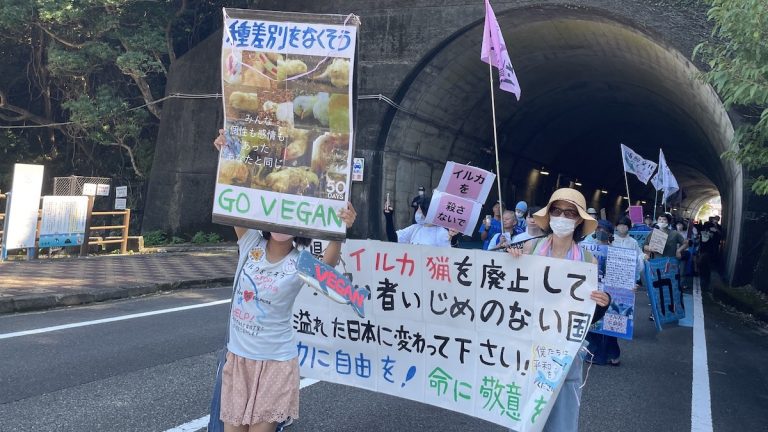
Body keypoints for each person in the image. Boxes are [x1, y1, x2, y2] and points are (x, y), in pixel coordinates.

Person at [213, 130, 357, 432]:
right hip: (239, 360)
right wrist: (227, 153)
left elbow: (328, 268)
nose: (281, 223)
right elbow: (235, 194)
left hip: (276, 363)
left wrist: (341, 230)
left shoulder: (299, 263)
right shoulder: (249, 241)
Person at [507, 188, 610, 432]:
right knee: (522, 414)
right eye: (556, 210)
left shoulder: (587, 261)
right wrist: (511, 263)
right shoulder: (529, 250)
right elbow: (509, 293)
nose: (562, 217)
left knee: (562, 419)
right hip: (527, 345)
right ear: (549, 215)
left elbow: (589, 313)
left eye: (569, 212)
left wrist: (602, 303)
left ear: (578, 220)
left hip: (565, 350)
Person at [585, 219, 622, 366]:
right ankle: (593, 353)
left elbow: (632, 268)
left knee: (611, 323)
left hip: (612, 290)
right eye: (598, 229)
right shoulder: (586, 247)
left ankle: (613, 354)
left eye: (604, 230)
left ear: (610, 234)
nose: (601, 232)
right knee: (593, 322)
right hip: (592, 288)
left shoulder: (618, 249)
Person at [384, 196, 458, 246]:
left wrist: (453, 239)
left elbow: (449, 254)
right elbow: (393, 239)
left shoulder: (441, 232)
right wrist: (389, 217)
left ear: (428, 213)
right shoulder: (415, 228)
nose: (417, 212)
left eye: (419, 210)